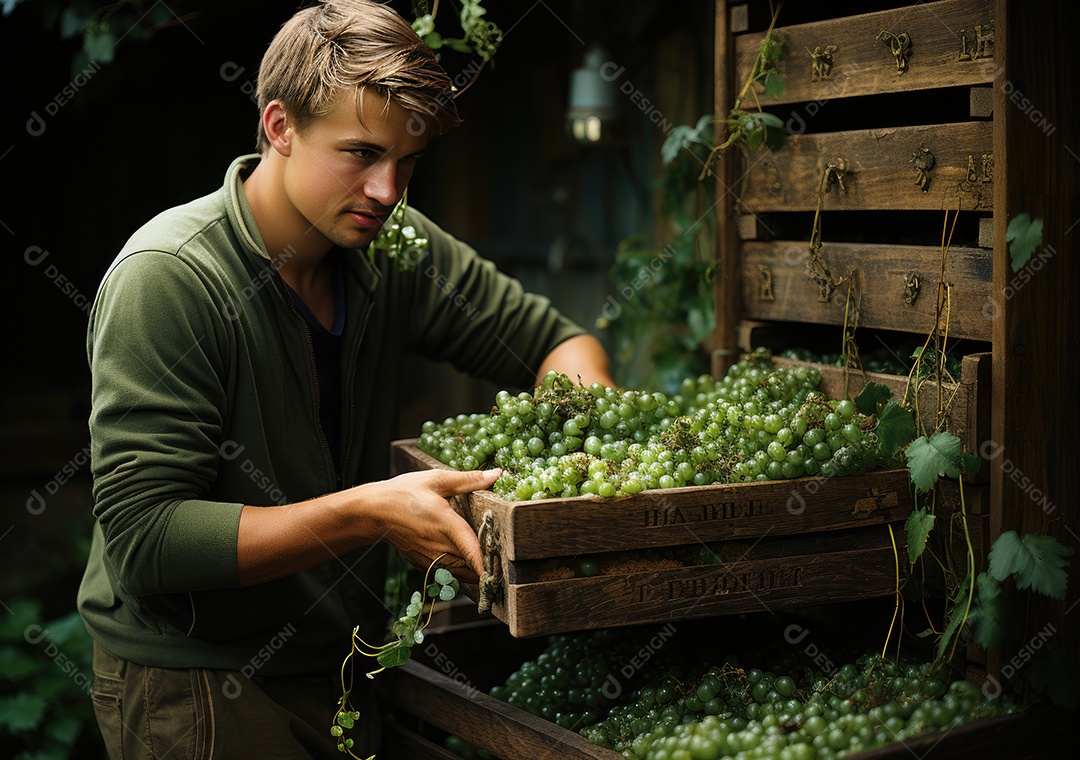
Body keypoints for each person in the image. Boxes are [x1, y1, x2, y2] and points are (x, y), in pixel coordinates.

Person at [77, 1, 614, 757]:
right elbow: (146, 540)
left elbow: (556, 341)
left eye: (408, 161)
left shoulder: (393, 250)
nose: (388, 191)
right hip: (199, 684)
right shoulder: (170, 280)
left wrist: (600, 440)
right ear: (279, 128)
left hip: (347, 668)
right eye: (360, 153)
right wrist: (369, 514)